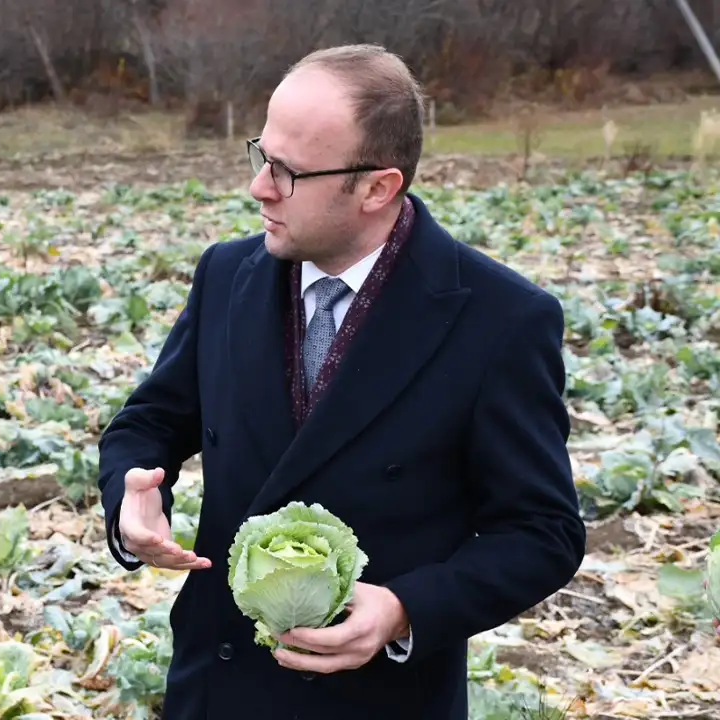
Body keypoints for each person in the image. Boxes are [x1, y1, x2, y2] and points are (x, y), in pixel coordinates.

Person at [97, 44, 587, 719]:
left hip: (376, 701)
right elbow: (148, 424)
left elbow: (542, 532)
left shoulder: (500, 320)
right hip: (215, 686)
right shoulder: (225, 275)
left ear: (378, 187)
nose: (259, 187)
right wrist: (131, 504)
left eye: (288, 171)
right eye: (260, 155)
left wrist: (402, 609)